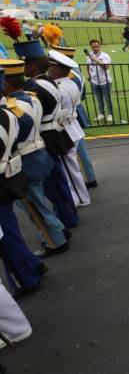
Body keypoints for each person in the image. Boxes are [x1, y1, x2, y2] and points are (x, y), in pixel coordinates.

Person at [0, 59, 69, 257]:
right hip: (39, 154)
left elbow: (20, 130)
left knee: (33, 204)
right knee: (40, 199)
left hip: (27, 158)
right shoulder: (31, 97)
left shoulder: (13, 107)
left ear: (7, 83)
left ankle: (55, 240)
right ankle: (58, 229)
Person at [14, 40, 79, 229]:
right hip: (53, 134)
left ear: (32, 65)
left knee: (52, 183)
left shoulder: (32, 87)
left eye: (23, 62)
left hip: (44, 137)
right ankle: (68, 215)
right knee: (58, 181)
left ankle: (64, 218)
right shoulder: (46, 80)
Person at [0, 81, 46, 297]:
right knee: (10, 231)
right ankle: (31, 265)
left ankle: (26, 277)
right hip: (8, 176)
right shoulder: (9, 112)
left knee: (6, 238)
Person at [48, 50, 91, 208]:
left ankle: (79, 198)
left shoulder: (59, 88)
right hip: (74, 128)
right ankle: (78, 196)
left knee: (70, 169)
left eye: (51, 67)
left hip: (66, 130)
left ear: (58, 69)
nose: (49, 70)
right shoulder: (71, 82)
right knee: (72, 168)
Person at [86, 39, 113, 123]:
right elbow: (87, 66)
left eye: (97, 46)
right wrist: (88, 75)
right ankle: (101, 113)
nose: (95, 48)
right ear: (91, 47)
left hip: (105, 81)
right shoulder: (88, 56)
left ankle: (110, 114)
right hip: (95, 81)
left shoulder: (105, 56)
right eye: (93, 47)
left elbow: (106, 67)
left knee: (107, 98)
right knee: (98, 98)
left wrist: (95, 60)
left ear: (100, 46)